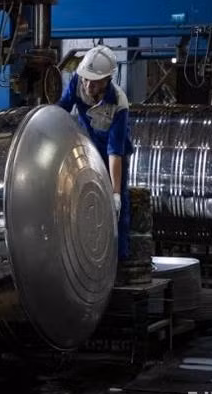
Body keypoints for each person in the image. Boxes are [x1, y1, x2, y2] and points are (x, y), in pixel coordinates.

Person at [57, 45, 132, 260]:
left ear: (107, 80)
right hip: (87, 149)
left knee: (117, 210)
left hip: (111, 155)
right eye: (86, 79)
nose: (88, 85)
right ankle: (86, 254)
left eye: (95, 81)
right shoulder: (77, 84)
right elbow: (61, 109)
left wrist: (115, 193)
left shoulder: (119, 104)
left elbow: (115, 151)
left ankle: (118, 260)